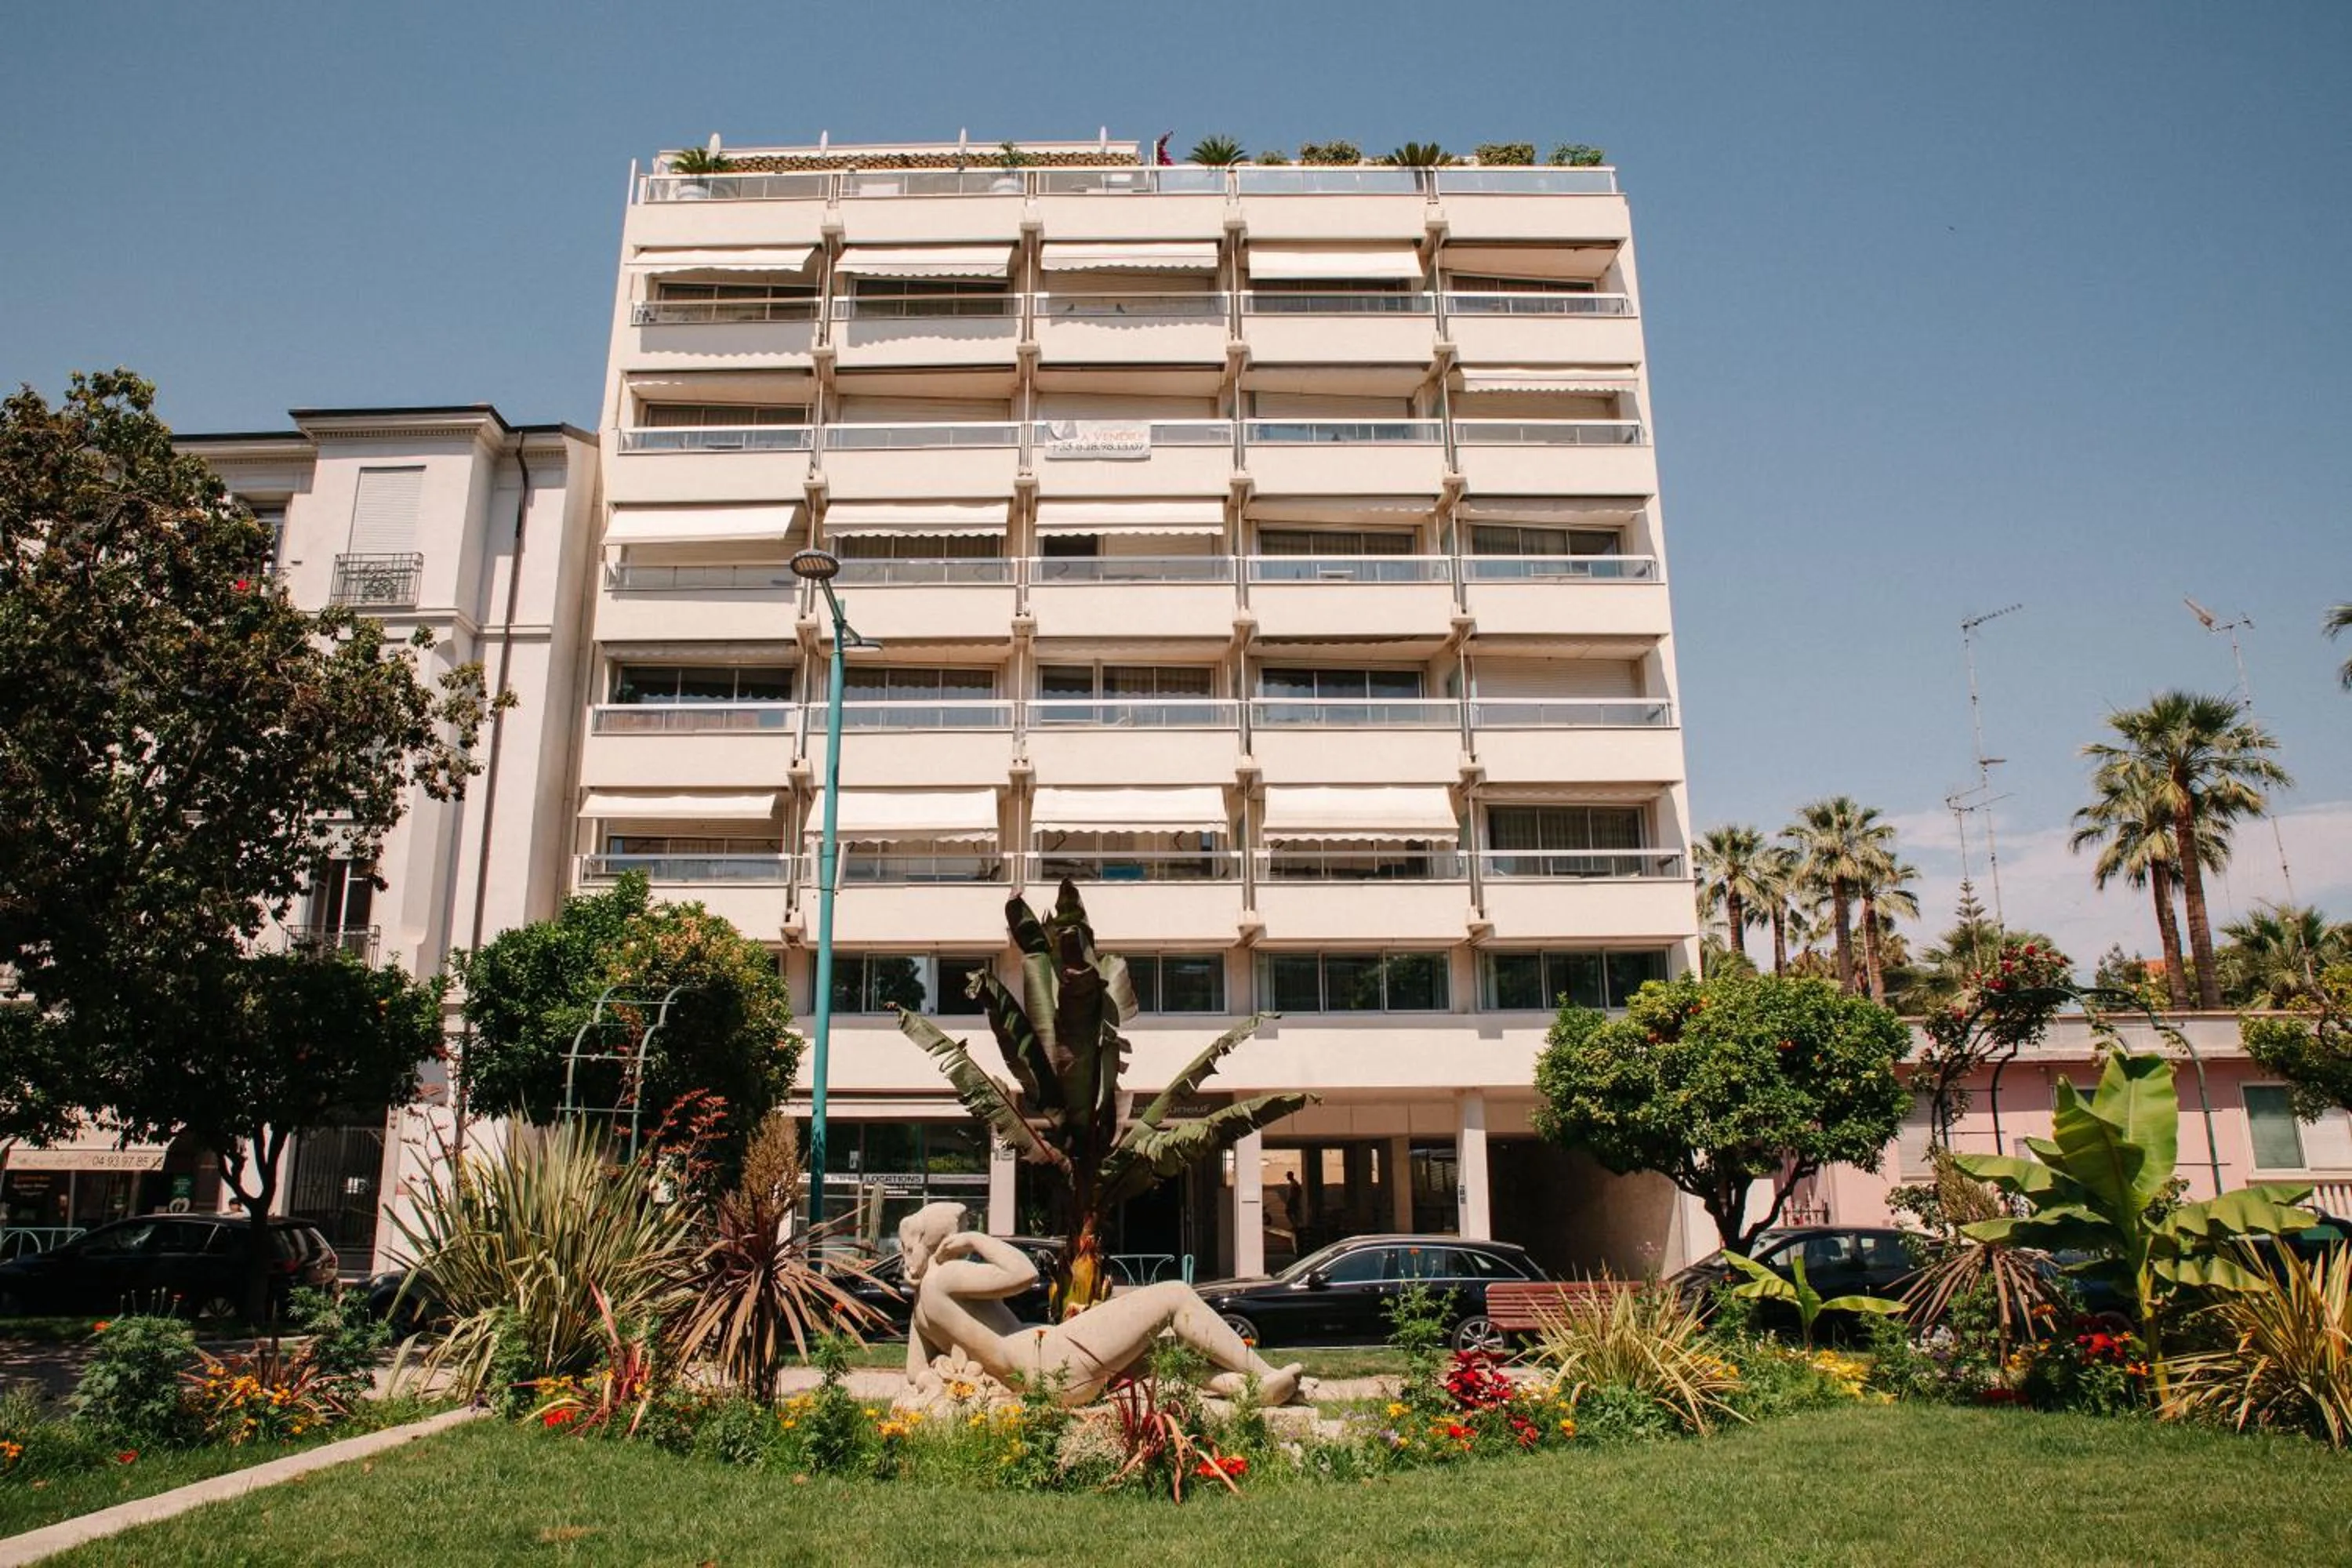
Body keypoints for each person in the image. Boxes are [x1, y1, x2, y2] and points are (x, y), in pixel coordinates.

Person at [898, 1201, 1305, 1406]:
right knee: (1175, 1294)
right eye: (964, 1230)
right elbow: (1022, 1273)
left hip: (1043, 1376)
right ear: (944, 1241)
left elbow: (915, 1369)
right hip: (1053, 1360)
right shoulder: (945, 1277)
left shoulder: (922, 1308)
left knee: (1164, 1355)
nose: (968, 1235)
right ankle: (1262, 1374)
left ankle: (1247, 1390)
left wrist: (934, 1382)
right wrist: (978, 1243)